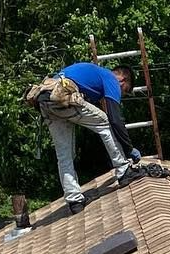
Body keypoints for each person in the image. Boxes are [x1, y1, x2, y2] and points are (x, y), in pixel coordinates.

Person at [29, 61, 141, 211]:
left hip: (46, 101)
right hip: (64, 96)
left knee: (64, 155)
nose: (121, 94)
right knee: (106, 124)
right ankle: (123, 170)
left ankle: (74, 201)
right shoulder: (111, 78)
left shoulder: (91, 73)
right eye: (124, 91)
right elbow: (115, 119)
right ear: (122, 80)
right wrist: (129, 149)